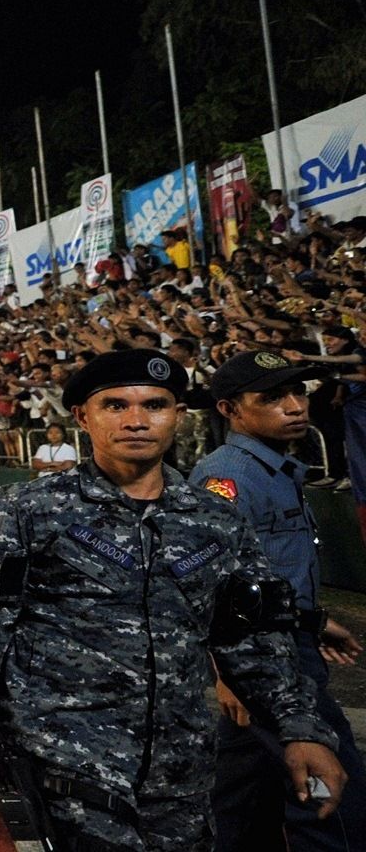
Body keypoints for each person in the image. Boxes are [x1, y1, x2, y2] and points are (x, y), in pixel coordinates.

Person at [0, 349, 345, 850]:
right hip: (64, 744)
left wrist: (300, 728)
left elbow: (250, 637)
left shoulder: (216, 519)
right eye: (115, 406)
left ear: (177, 417)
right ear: (82, 416)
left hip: (178, 754)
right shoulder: (29, 509)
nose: (137, 421)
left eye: (155, 405)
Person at [193, 351, 366, 850]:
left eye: (298, 392)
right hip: (270, 660)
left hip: (288, 640)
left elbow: (273, 570)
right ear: (230, 410)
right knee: (334, 792)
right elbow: (210, 583)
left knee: (242, 794)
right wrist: (227, 673)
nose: (294, 406)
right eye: (271, 398)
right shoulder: (227, 479)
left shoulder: (271, 467)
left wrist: (315, 618)